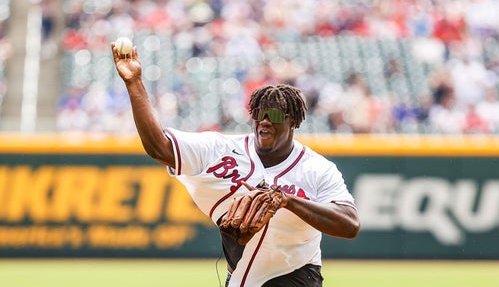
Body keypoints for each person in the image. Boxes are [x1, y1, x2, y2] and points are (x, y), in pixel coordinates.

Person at [111, 42, 360, 287]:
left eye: (273, 115)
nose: (263, 121)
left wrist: (288, 201)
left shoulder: (317, 169)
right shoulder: (218, 149)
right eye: (258, 113)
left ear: (293, 121)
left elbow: (349, 224)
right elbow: (159, 147)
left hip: (295, 275)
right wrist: (134, 83)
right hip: (241, 278)